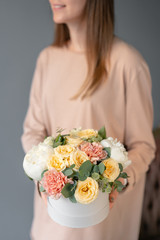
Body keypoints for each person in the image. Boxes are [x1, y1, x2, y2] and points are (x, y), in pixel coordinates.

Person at [21, 0, 156, 239]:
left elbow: (143, 146)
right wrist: (44, 176)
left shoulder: (127, 63)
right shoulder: (47, 59)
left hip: (103, 228)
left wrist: (118, 183)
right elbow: (32, 130)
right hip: (49, 227)